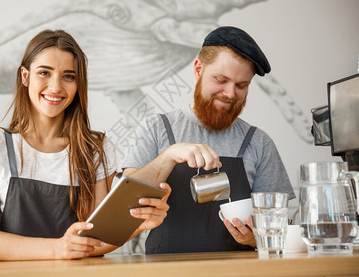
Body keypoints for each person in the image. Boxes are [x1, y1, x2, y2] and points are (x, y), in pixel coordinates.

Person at [0, 29, 171, 260]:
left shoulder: (95, 149)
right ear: (25, 76)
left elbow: (99, 237)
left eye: (68, 76)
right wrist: (57, 249)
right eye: (44, 72)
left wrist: (137, 224)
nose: (55, 87)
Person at [121, 26, 295, 254]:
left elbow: (279, 230)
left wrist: (257, 240)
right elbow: (124, 204)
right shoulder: (156, 128)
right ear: (198, 69)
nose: (230, 94)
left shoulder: (258, 143)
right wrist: (170, 155)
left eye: (241, 85)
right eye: (221, 80)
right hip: (164, 271)